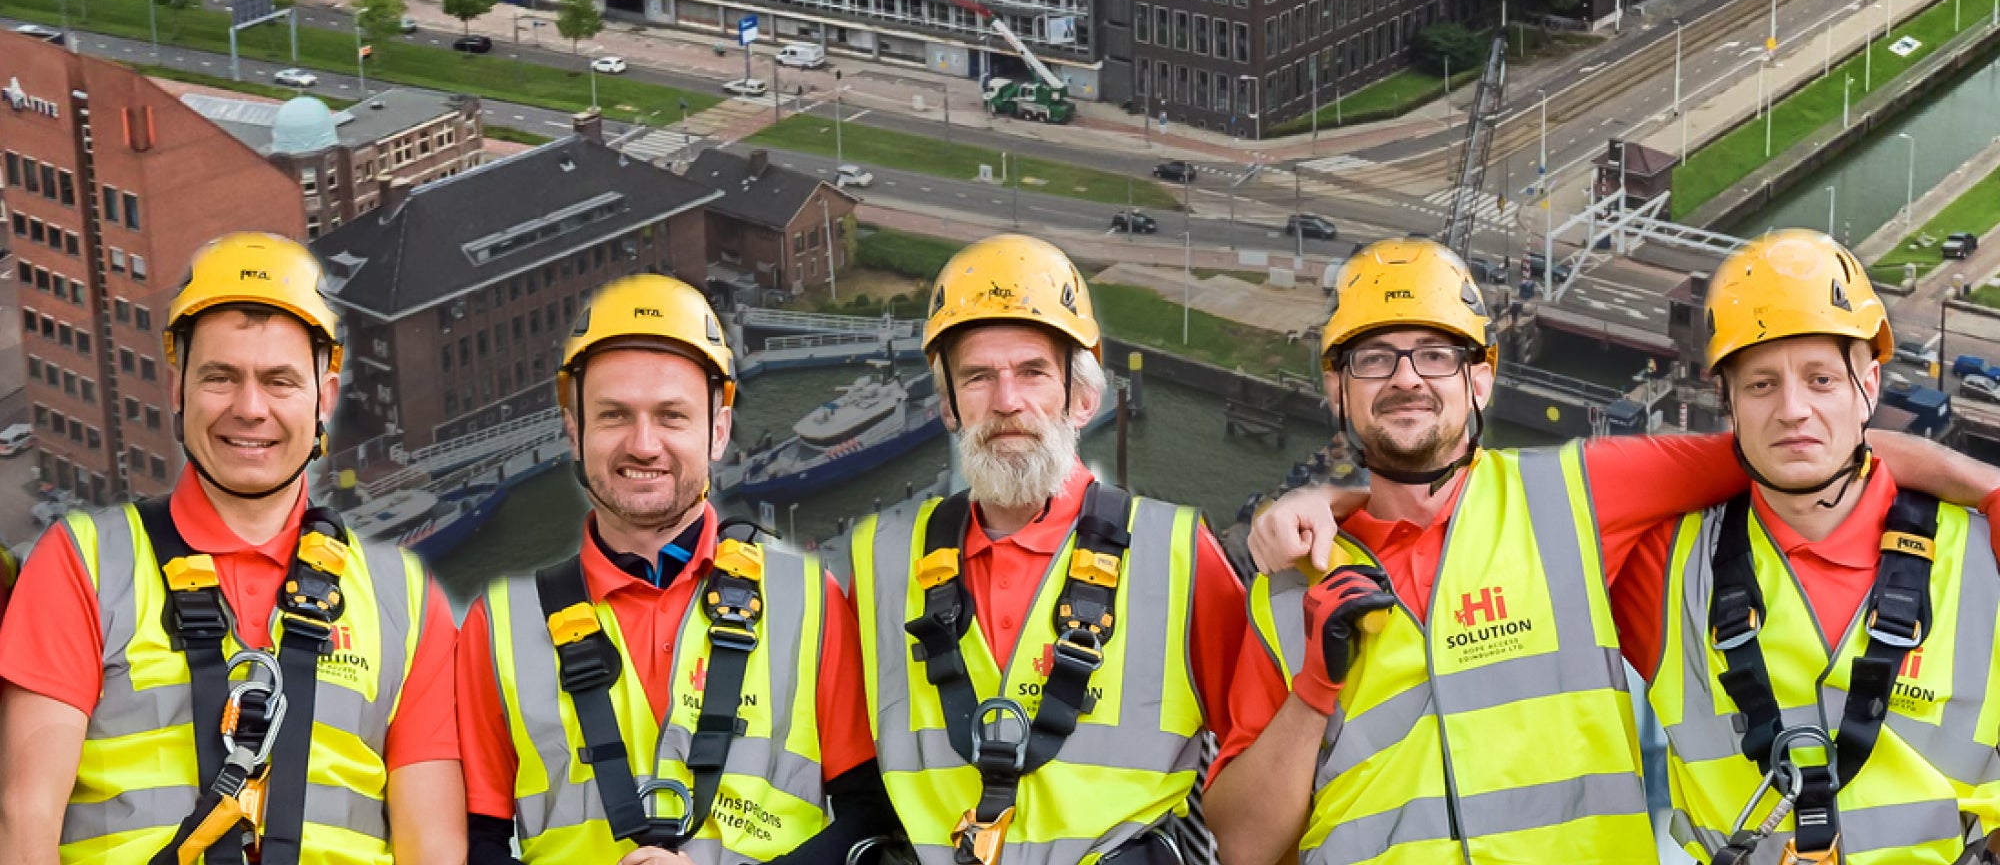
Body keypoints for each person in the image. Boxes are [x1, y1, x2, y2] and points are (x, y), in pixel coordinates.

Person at [1206, 235, 1993, 865]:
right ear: (1336, 390)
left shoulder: (1579, 499)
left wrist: (1976, 482)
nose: (1407, 378)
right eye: (1374, 359)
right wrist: (1316, 684)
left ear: (1482, 380)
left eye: (1437, 355)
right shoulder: (1289, 589)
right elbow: (1243, 847)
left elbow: (1796, 449)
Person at [0, 230, 464, 865]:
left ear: (324, 397)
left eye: (279, 381)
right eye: (220, 377)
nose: (250, 408)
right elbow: (23, 818)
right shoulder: (82, 563)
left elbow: (432, 845)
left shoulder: (405, 601)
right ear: (177, 388)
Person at [457, 274, 898, 865]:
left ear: (718, 432)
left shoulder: (811, 601)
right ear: (574, 430)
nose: (643, 444)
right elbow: (473, 843)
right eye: (614, 416)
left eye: (672, 416)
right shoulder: (499, 628)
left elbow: (869, 815)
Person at [846, 232, 1247, 865]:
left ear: (1082, 396)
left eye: (1033, 372)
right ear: (948, 404)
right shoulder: (880, 560)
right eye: (978, 377)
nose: (1008, 403)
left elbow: (1260, 757)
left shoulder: (1177, 557)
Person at [1636, 230, 2000, 863]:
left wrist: (1977, 482)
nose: (1793, 409)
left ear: (1871, 386)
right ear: (1726, 402)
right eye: (1760, 386)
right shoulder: (1663, 567)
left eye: (1822, 379)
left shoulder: (1983, 559)